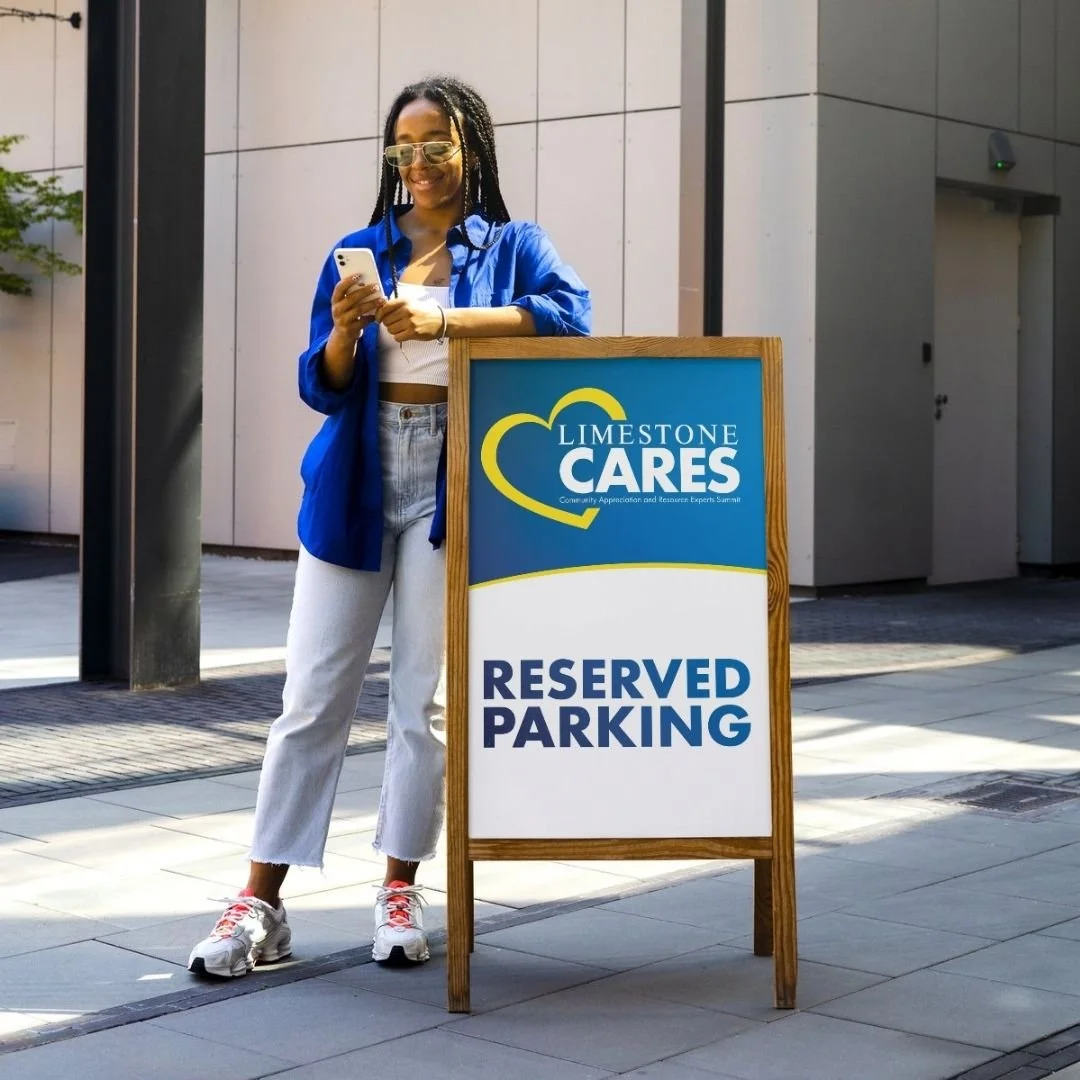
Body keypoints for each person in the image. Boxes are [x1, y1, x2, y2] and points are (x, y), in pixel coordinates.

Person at [187, 75, 590, 977]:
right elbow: (319, 384)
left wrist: (445, 318)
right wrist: (340, 333)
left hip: (456, 481)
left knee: (423, 706)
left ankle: (398, 885)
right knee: (311, 699)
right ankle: (262, 899)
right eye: (402, 150)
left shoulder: (514, 244)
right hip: (357, 478)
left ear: (470, 150)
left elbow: (571, 317)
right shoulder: (357, 249)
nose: (417, 165)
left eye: (435, 147)